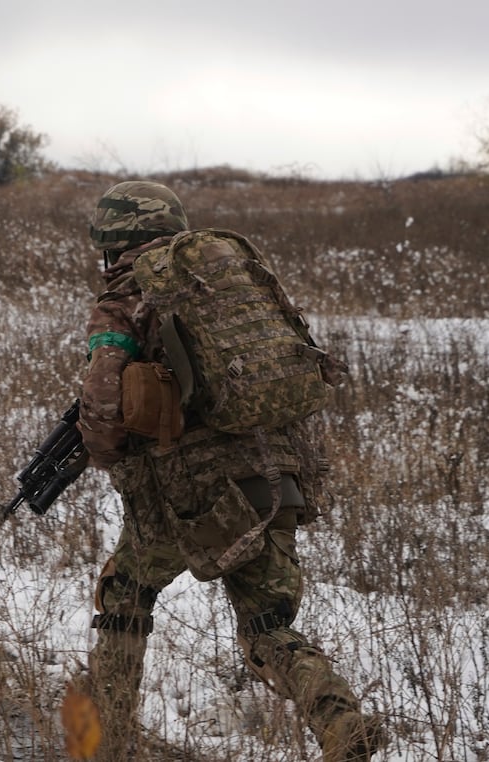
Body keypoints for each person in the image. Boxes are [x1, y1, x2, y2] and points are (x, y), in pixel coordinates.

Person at [76, 181, 385, 761]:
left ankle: (103, 740)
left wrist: (111, 458)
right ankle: (339, 720)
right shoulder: (225, 281)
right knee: (267, 622)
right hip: (279, 472)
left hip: (192, 491)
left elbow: (102, 405)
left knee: (126, 593)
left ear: (114, 241)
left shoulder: (124, 298)